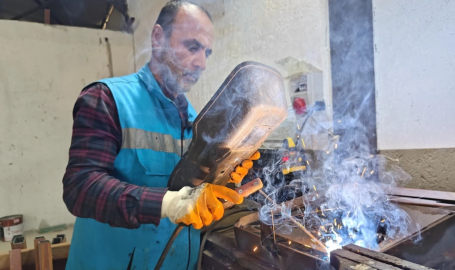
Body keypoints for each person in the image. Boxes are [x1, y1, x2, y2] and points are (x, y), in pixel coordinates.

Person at [62, 1, 259, 269]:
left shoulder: (193, 119)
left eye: (207, 53)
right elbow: (80, 187)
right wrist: (169, 203)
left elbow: (192, 196)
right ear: (158, 37)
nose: (201, 63)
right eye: (192, 47)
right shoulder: (107, 99)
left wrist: (222, 181)